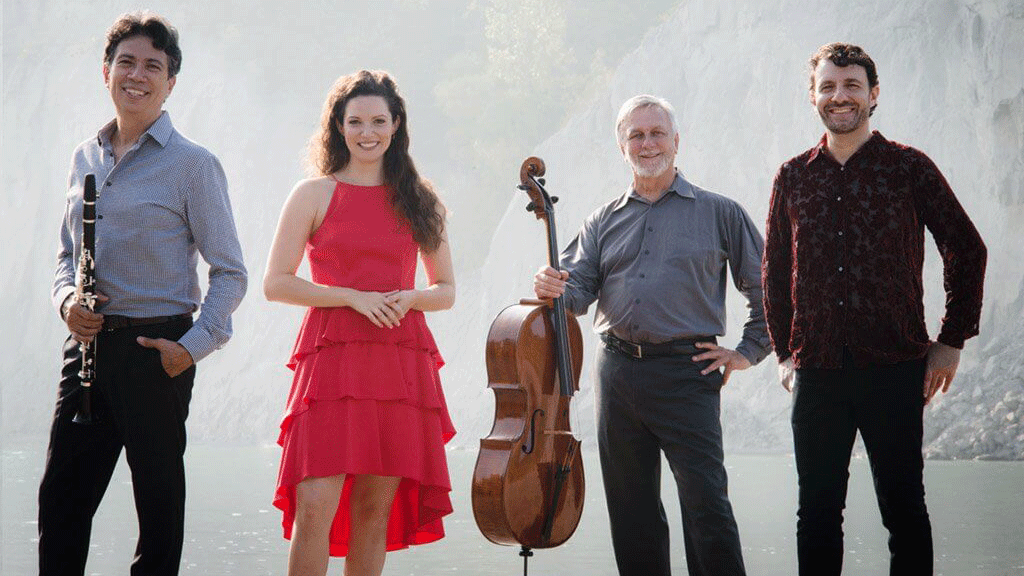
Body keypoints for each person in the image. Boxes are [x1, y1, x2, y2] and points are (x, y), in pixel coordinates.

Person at [762, 42, 987, 576]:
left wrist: (950, 342)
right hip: (816, 371)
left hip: (895, 369)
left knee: (904, 512)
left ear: (874, 94)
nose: (840, 97)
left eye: (852, 86)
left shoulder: (909, 168)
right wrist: (783, 355)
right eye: (829, 87)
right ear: (813, 96)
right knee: (816, 515)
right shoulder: (793, 176)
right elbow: (773, 272)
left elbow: (966, 248)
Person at [40, 11, 248, 576]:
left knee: (157, 516)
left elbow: (230, 272)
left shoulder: (194, 166)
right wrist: (66, 304)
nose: (137, 74)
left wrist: (192, 347)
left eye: (152, 66)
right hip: (85, 350)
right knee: (60, 508)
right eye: (126, 62)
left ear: (170, 82)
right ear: (106, 71)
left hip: (158, 351)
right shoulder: (84, 155)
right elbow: (66, 256)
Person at [533, 94, 769, 576]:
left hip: (688, 372)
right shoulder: (603, 220)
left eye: (656, 133)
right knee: (631, 512)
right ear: (622, 147)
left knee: (707, 509)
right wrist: (551, 285)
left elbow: (768, 286)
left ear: (676, 141)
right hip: (616, 374)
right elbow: (576, 295)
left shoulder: (720, 212)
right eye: (635, 135)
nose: (647, 143)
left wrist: (748, 351)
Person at [263, 70, 456, 576]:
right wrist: (350, 297)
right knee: (315, 509)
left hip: (397, 366)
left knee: (373, 515)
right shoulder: (312, 194)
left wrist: (411, 297)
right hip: (330, 363)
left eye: (377, 120)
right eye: (355, 121)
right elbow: (276, 283)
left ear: (396, 125)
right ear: (338, 127)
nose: (367, 132)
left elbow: (446, 291)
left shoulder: (420, 199)